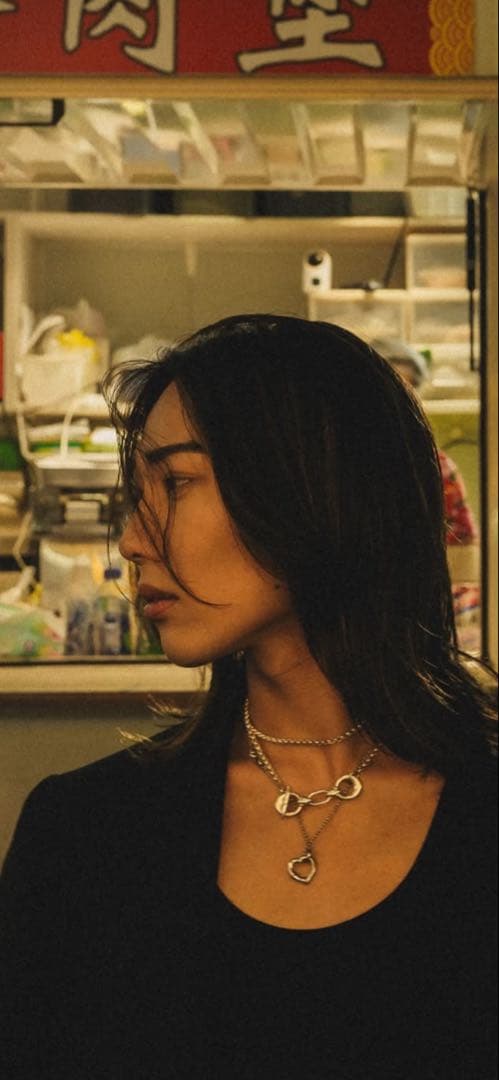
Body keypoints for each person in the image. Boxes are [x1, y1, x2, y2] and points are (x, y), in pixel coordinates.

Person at [0, 315, 496, 1080]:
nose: (132, 541)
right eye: (135, 495)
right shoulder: (85, 836)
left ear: (316, 485)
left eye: (175, 483)